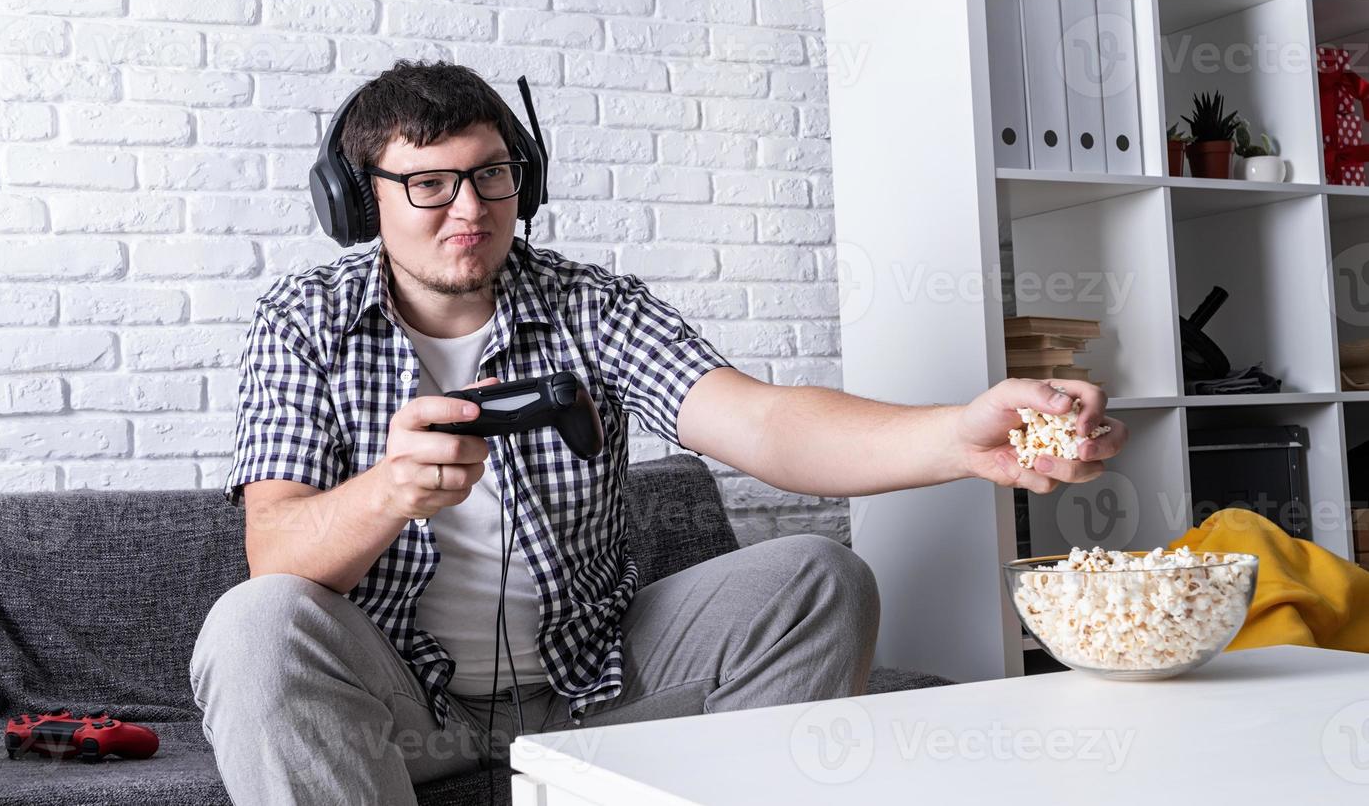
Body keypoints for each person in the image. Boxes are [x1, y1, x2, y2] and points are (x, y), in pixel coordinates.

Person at [189, 60, 1129, 805]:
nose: (470, 210)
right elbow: (276, 552)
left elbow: (757, 420)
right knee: (253, 622)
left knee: (812, 576)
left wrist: (958, 438)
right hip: (398, 707)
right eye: (429, 185)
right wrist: (392, 488)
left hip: (594, 683)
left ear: (527, 179)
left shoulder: (589, 305)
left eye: (491, 176)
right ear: (362, 201)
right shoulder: (303, 320)